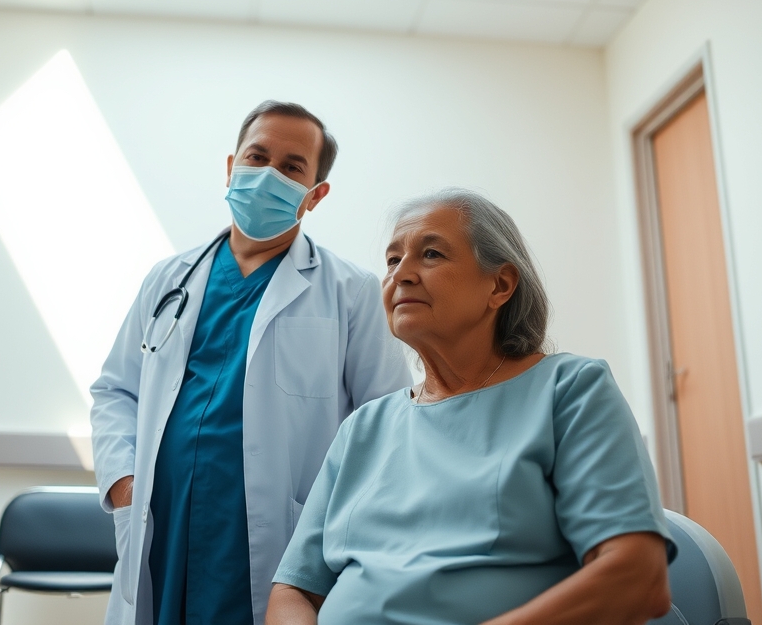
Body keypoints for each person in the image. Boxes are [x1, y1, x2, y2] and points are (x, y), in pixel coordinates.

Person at [268, 188, 676, 625]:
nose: (400, 274)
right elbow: (294, 591)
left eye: (431, 254)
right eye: (392, 260)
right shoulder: (363, 428)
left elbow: (638, 576)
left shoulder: (568, 391)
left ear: (499, 285)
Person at [90, 101, 412, 625]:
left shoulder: (349, 291)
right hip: (164, 524)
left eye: (290, 167)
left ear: (315, 195)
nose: (268, 175)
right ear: (231, 166)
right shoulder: (168, 278)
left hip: (277, 533)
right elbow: (115, 391)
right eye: (257, 157)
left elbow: (386, 420)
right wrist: (126, 485)